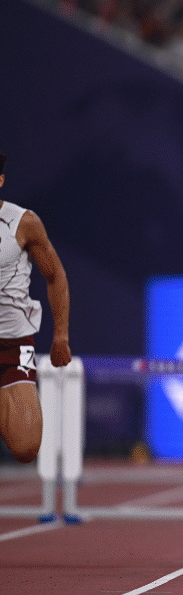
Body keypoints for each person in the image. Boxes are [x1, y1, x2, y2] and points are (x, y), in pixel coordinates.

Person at [0, 152, 72, 463]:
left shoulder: (24, 222)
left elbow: (55, 276)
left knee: (26, 447)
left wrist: (61, 335)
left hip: (15, 344)